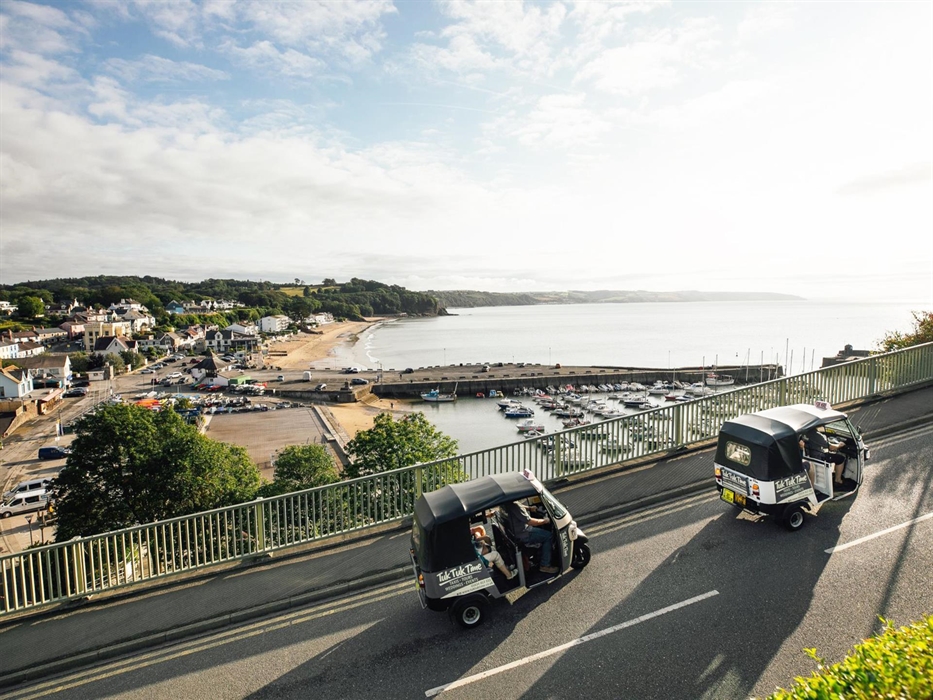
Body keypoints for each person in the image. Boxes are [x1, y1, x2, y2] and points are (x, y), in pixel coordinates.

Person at [504, 500, 558, 574]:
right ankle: (545, 565)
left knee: (542, 533)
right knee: (548, 536)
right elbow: (530, 521)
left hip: (516, 533)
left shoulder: (507, 503)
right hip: (524, 533)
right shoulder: (515, 506)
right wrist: (545, 521)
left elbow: (520, 507)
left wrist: (529, 508)